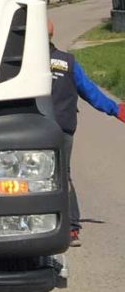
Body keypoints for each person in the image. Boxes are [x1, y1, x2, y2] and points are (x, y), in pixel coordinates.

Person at [48, 18, 125, 245]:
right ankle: (71, 228)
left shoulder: (24, 62)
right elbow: (91, 92)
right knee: (63, 174)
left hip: (34, 127)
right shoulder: (68, 62)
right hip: (63, 126)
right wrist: (116, 110)